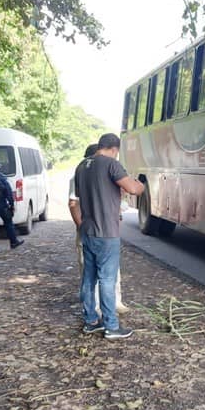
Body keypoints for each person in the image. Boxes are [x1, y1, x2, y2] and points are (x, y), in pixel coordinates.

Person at [75, 133, 144, 339]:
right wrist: (141, 185)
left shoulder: (81, 166)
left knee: (88, 277)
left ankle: (90, 321)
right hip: (106, 232)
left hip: (87, 230)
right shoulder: (111, 164)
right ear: (114, 149)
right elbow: (132, 188)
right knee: (107, 279)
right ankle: (111, 326)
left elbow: (79, 197)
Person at [69, 144, 128, 314]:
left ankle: (107, 307)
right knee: (97, 276)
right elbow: (73, 204)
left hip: (100, 230)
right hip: (94, 232)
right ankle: (101, 314)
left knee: (105, 273)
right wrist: (82, 227)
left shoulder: (99, 172)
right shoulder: (80, 174)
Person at [0, 160, 24, 253]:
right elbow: (8, 191)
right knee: (8, 223)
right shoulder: (1, 177)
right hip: (2, 204)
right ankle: (13, 242)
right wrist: (11, 204)